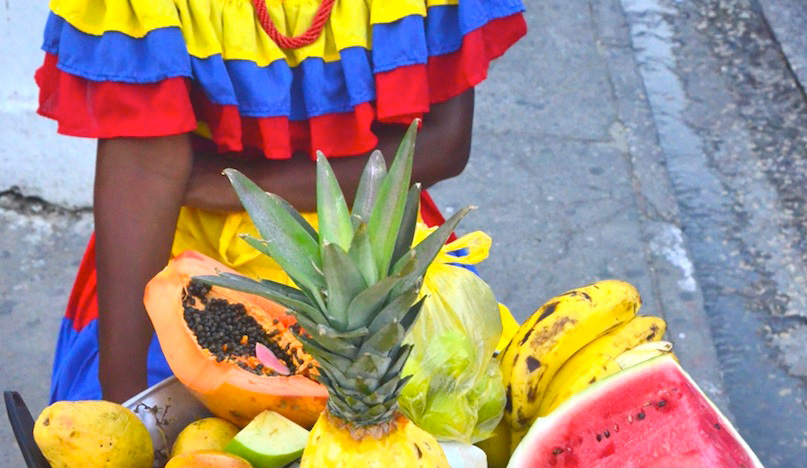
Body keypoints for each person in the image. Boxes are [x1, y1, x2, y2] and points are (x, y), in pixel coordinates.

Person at [36, 0, 527, 403]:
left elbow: (442, 144)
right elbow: (144, 172)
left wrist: (238, 186)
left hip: (370, 236)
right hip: (186, 249)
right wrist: (127, 408)